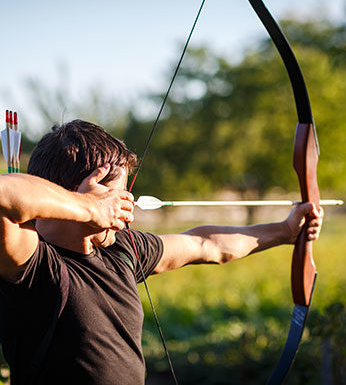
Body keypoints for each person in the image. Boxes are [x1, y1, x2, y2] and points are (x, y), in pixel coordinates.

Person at [0, 120, 323, 385]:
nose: (126, 203)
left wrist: (285, 231)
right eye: (116, 194)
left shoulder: (121, 249)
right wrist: (88, 209)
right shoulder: (31, 262)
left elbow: (207, 244)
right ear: (81, 192)